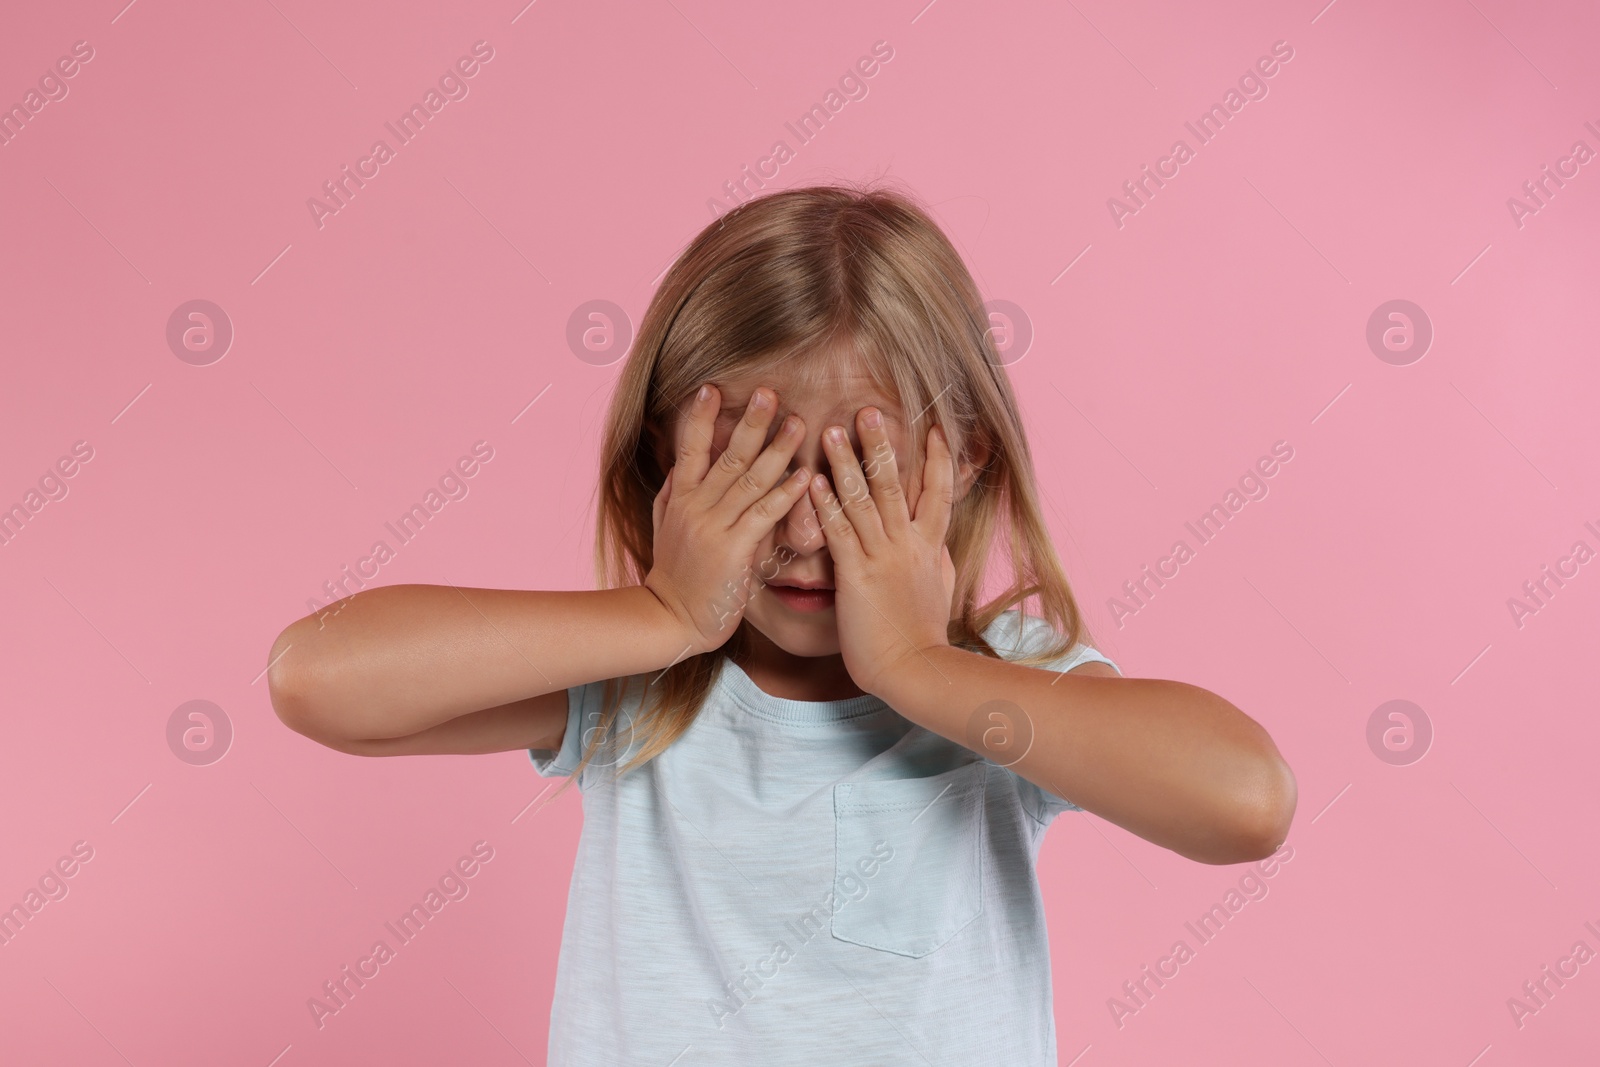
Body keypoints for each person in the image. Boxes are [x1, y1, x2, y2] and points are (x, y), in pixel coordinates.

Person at [267, 182, 1297, 1065]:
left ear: (966, 460)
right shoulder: (640, 681)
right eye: (755, 470)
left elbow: (1246, 800)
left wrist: (912, 664)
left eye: (861, 473)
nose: (805, 531)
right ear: (663, 461)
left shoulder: (998, 685)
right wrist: (661, 612)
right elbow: (316, 678)